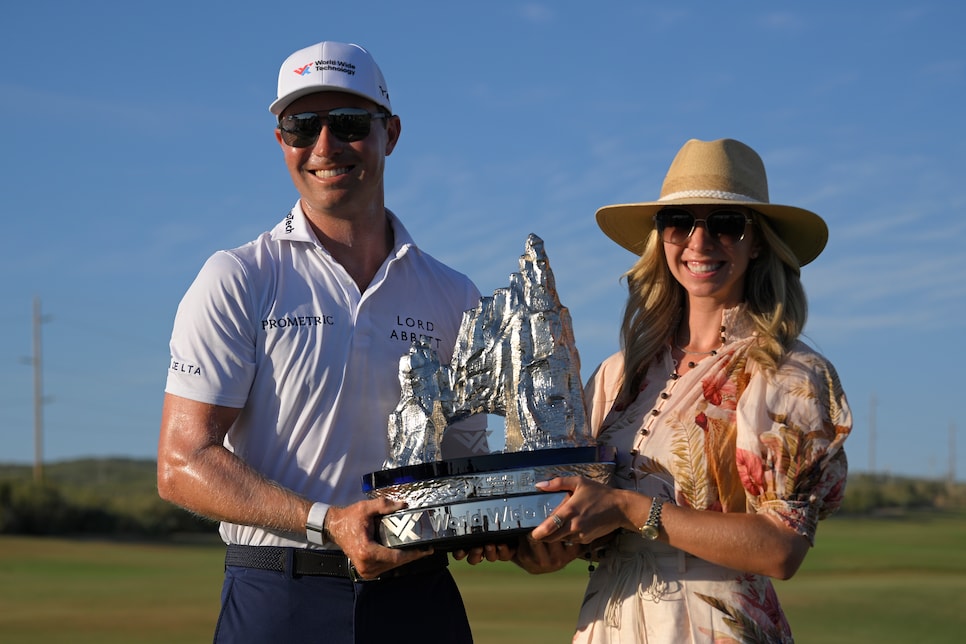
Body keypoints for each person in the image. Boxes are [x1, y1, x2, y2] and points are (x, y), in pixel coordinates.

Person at [157, 40, 490, 644]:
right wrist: (328, 522)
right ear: (280, 140)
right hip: (279, 593)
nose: (325, 145)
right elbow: (182, 463)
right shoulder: (240, 277)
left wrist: (513, 521)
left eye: (350, 123)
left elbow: (463, 459)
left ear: (391, 133)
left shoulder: (455, 294)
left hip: (419, 593)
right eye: (302, 126)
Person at [514, 138, 852, 643]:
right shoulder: (616, 375)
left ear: (758, 242)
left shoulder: (788, 374)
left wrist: (630, 509)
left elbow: (782, 549)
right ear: (661, 238)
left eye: (725, 224)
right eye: (679, 222)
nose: (699, 241)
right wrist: (540, 546)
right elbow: (587, 523)